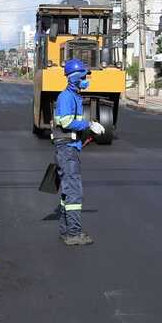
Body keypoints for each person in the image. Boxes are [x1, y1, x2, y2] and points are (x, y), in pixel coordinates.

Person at [52, 59, 105, 246]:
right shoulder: (66, 97)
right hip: (66, 150)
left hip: (69, 147)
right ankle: (74, 233)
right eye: (83, 76)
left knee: (68, 191)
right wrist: (89, 124)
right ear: (75, 77)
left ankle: (65, 231)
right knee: (74, 192)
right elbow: (66, 123)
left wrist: (84, 135)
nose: (85, 79)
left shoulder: (73, 97)